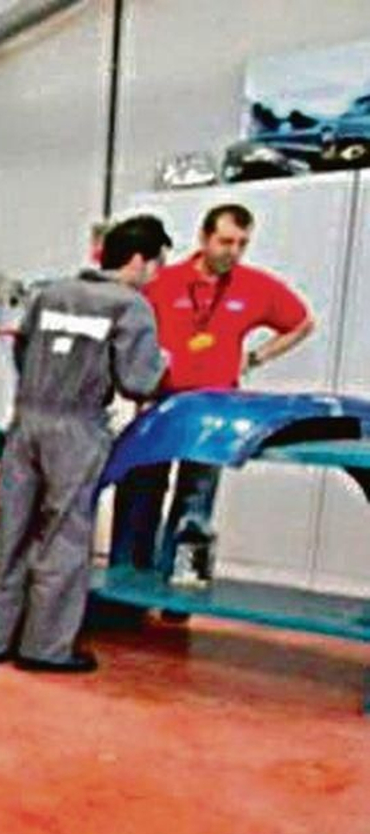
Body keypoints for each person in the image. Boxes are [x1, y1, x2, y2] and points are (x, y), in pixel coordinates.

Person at [0, 216, 171, 673]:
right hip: (77, 427)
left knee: (12, 531)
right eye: (156, 265)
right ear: (137, 260)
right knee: (63, 537)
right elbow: (137, 381)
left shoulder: (52, 293)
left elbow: (22, 351)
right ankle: (45, 649)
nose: (156, 275)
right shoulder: (131, 307)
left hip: (26, 421)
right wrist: (163, 360)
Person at [109, 203, 317, 584]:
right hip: (161, 404)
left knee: (197, 503)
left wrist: (254, 358)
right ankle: (126, 583)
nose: (233, 251)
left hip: (215, 411)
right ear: (204, 239)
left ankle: (183, 588)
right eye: (225, 241)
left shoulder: (256, 286)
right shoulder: (163, 282)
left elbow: (302, 323)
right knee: (141, 492)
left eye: (242, 243)